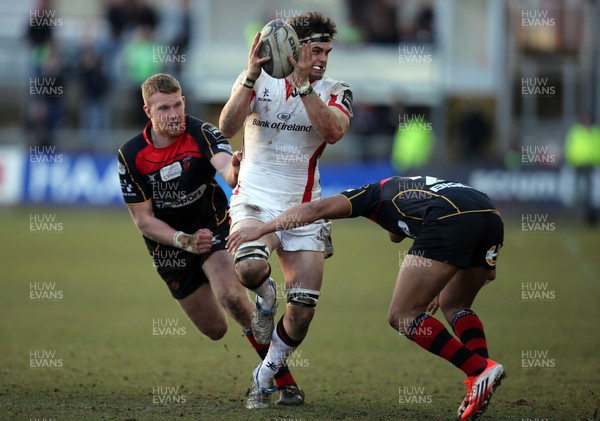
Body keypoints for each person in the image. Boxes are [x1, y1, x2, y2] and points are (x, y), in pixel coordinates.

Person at [227, 175, 507, 421]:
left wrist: (262, 229)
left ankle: (478, 369)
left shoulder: (370, 194)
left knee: (402, 315)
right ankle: (480, 378)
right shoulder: (410, 194)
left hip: (448, 220)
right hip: (489, 214)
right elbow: (398, 236)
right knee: (456, 304)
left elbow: (316, 209)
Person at [117, 73, 302, 405]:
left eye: (177, 105)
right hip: (170, 247)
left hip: (211, 225)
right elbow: (143, 220)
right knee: (216, 329)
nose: (173, 114)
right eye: (164, 108)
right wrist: (183, 241)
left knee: (232, 298)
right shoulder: (131, 155)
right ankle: (253, 315)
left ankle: (281, 379)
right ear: (148, 112)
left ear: (184, 102)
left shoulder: (200, 131)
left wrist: (234, 167)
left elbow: (226, 170)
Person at [218, 12, 353, 409]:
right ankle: (264, 298)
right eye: (315, 50)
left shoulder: (336, 90)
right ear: (295, 49)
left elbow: (332, 132)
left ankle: (264, 377)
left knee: (302, 312)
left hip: (304, 209)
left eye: (328, 51)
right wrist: (247, 76)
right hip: (255, 199)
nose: (323, 59)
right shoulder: (258, 81)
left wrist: (304, 86)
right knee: (249, 269)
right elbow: (226, 127)